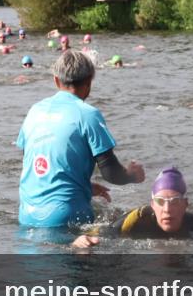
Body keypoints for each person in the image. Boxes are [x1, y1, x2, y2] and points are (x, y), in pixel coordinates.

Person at [15, 50, 146, 228]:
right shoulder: (88, 115)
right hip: (66, 217)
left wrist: (85, 186)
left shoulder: (34, 111)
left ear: (55, 80)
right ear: (89, 82)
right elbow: (111, 173)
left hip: (26, 215)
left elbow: (34, 164)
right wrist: (132, 176)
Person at [72, 167, 193, 247]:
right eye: (160, 202)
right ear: (152, 205)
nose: (167, 209)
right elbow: (101, 234)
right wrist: (80, 241)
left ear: (185, 204)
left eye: (174, 201)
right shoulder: (136, 220)